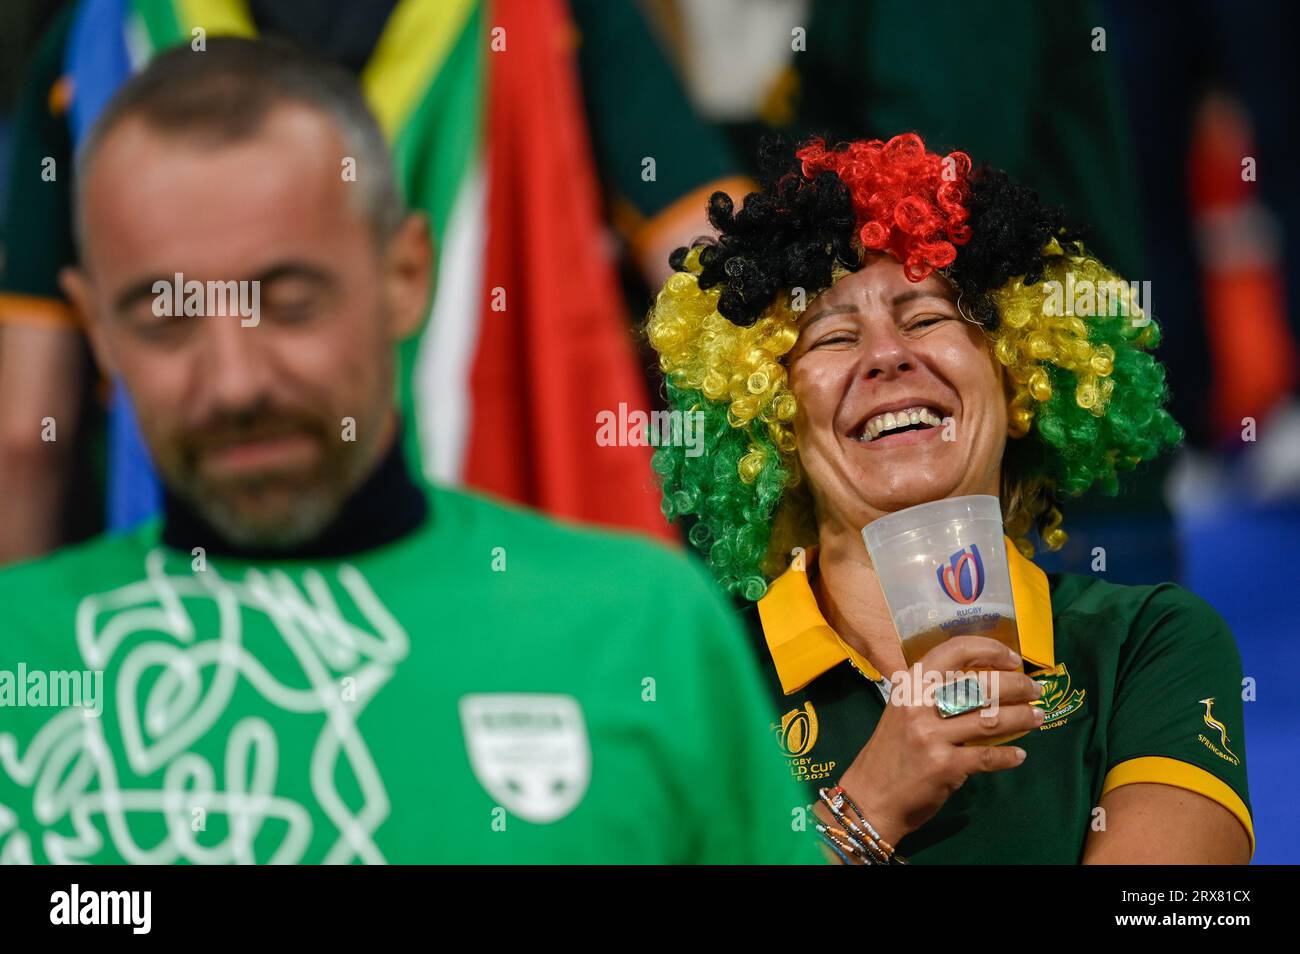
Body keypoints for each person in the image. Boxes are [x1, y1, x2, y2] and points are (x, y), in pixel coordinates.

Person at [0, 39, 816, 866]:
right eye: (166, 318)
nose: (235, 382)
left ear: (405, 274)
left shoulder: (645, 626)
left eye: (288, 305)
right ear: (96, 328)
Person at [645, 133, 1254, 863]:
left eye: (927, 318)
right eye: (833, 338)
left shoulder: (1149, 644)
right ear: (769, 420)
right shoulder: (698, 680)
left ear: (1019, 371)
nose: (887, 356)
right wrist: (866, 811)